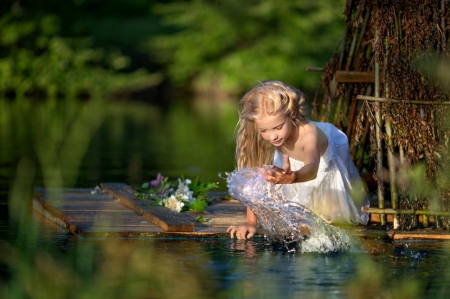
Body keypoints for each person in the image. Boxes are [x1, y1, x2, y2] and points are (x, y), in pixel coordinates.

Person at [227, 80, 370, 240]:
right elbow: (254, 182)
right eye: (264, 131)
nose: (272, 136)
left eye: (278, 127)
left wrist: (293, 177)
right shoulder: (272, 135)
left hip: (318, 172)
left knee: (328, 218)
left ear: (293, 113)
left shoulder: (308, 134)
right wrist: (250, 222)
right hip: (290, 173)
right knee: (257, 181)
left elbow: (312, 168)